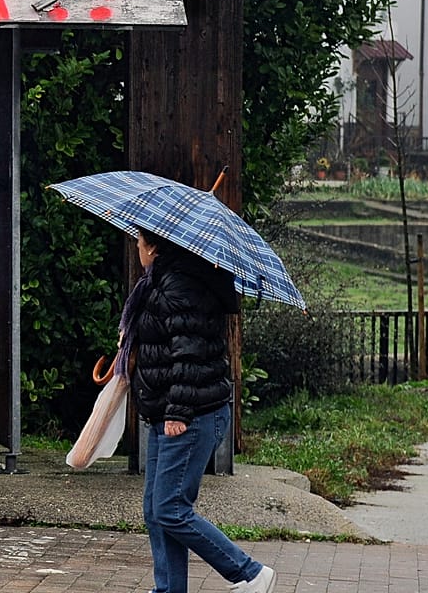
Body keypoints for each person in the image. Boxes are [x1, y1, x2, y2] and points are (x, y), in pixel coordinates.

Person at [127, 228, 276, 593]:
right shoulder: (162, 281)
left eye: (139, 242)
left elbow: (189, 353)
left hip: (188, 415)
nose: (137, 248)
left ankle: (250, 573)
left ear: (154, 248)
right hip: (166, 411)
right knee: (157, 510)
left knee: (171, 508)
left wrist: (178, 412)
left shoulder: (181, 285)